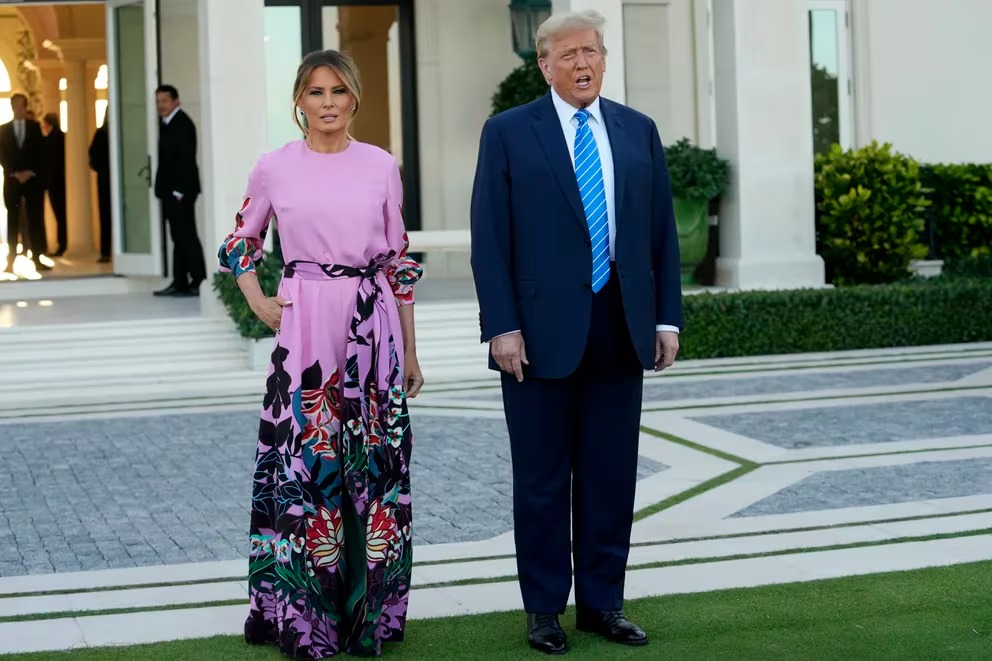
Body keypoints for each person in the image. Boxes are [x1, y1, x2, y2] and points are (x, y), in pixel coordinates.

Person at [470, 10, 683, 655]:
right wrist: (502, 326)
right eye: (567, 55)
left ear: (604, 58)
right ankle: (543, 611)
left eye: (591, 51)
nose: (582, 63)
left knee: (610, 475)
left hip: (621, 327)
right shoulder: (508, 132)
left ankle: (602, 604)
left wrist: (666, 317)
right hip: (535, 338)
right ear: (544, 65)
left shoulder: (638, 130)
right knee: (541, 480)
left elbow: (661, 234)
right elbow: (489, 238)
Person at [218, 49, 425, 659]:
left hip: (371, 329)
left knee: (372, 469)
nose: (328, 103)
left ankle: (368, 615)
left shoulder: (381, 165)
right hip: (305, 329)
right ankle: (307, 615)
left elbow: (397, 262)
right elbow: (241, 240)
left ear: (355, 97)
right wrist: (257, 298)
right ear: (299, 101)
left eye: (338, 91)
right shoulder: (274, 167)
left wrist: (411, 353)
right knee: (306, 467)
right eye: (316, 92)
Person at [153, 84, 205, 296]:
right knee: (178, 237)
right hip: (171, 193)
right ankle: (180, 281)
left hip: (180, 193)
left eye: (164, 101)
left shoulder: (182, 124)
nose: (160, 105)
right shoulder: (167, 123)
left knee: (187, 236)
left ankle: (199, 281)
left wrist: (179, 191)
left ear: (176, 101)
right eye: (158, 102)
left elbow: (187, 160)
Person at [0, 93, 49, 272]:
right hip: (12, 181)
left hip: (32, 181)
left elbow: (41, 153)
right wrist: (14, 172)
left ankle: (37, 258)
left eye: (21, 105)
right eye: (15, 105)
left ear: (26, 107)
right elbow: (2, 154)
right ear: (11, 107)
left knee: (35, 218)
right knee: (13, 219)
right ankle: (11, 261)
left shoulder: (35, 127)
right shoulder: (3, 130)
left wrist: (29, 172)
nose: (18, 109)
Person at [41, 112, 67, 257]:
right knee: (61, 215)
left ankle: (62, 244)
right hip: (59, 181)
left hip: (54, 182)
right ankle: (62, 244)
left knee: (60, 215)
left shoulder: (51, 139)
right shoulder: (61, 136)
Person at [89, 110, 111, 263]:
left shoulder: (123, 130)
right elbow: (93, 156)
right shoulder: (101, 133)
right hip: (105, 180)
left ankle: (107, 252)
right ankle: (105, 252)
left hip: (108, 179)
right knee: (105, 214)